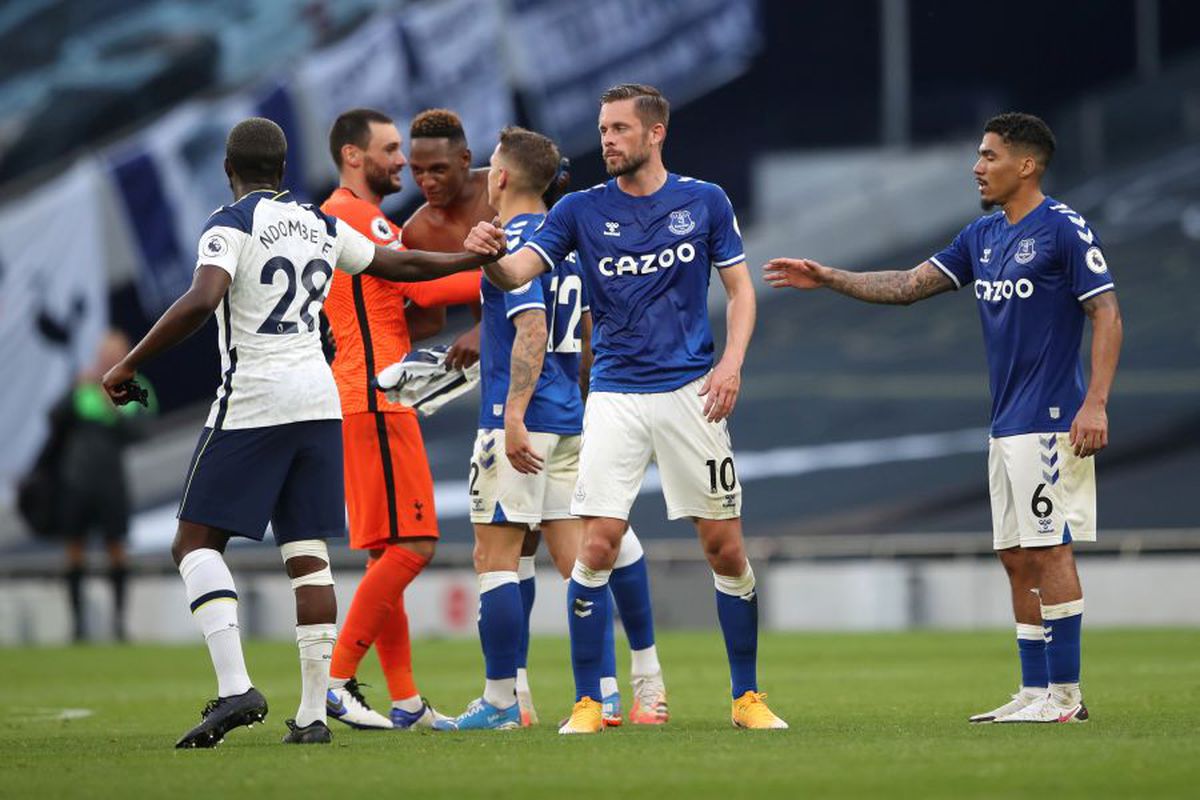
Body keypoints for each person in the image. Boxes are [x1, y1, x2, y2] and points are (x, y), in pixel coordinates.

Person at [101, 117, 503, 748]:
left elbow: (204, 299)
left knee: (193, 544)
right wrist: (471, 257)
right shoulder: (319, 222)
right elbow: (400, 264)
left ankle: (237, 687)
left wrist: (128, 363)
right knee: (306, 550)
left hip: (256, 397)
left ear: (229, 171)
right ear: (285, 169)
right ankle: (314, 713)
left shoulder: (231, 222)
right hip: (319, 400)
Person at [764, 112, 1122, 724]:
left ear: (1027, 164)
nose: (976, 167)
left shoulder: (1063, 229)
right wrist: (828, 278)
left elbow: (1107, 313)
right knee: (1015, 555)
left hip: (1050, 417)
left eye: (988, 156)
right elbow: (906, 284)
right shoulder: (982, 236)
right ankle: (1034, 691)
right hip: (1006, 421)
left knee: (1050, 551)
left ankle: (1066, 698)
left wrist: (1095, 403)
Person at [464, 84, 786, 733]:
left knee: (724, 547)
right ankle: (590, 701)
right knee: (598, 543)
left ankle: (746, 697)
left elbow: (740, 291)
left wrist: (731, 362)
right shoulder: (581, 209)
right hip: (611, 393)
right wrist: (493, 257)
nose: (606, 140)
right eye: (602, 129)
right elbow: (520, 269)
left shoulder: (705, 201)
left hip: (692, 391)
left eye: (618, 129)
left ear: (655, 133)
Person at [438, 127, 666, 731]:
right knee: (578, 565)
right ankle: (609, 692)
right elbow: (588, 336)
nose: (486, 175)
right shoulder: (570, 243)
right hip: (569, 420)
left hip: (522, 423)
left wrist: (511, 415)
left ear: (504, 177)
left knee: (495, 558)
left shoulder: (515, 243)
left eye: (490, 166)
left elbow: (532, 329)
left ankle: (502, 700)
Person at [319, 108, 479, 730]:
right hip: (379, 394)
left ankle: (406, 701)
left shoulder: (343, 217)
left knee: (388, 550)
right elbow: (424, 288)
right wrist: (498, 258)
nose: (400, 163)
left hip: (365, 392)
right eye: (389, 150)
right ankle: (335, 680)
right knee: (414, 545)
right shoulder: (360, 217)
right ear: (353, 156)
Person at [48, 330, 157, 642]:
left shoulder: (136, 387)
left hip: (112, 481)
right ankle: (78, 627)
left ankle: (119, 625)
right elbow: (55, 421)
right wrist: (74, 391)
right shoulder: (83, 385)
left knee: (117, 550)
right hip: (77, 480)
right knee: (74, 551)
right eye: (104, 354)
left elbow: (140, 431)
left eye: (115, 354)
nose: (108, 360)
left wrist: (111, 406)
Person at [401, 108, 494, 370]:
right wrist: (360, 333)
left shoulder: (505, 188)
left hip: (558, 333)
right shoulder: (418, 231)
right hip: (500, 358)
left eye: (437, 169)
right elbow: (431, 320)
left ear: (465, 158)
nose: (426, 181)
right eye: (417, 171)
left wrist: (484, 330)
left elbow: (544, 271)